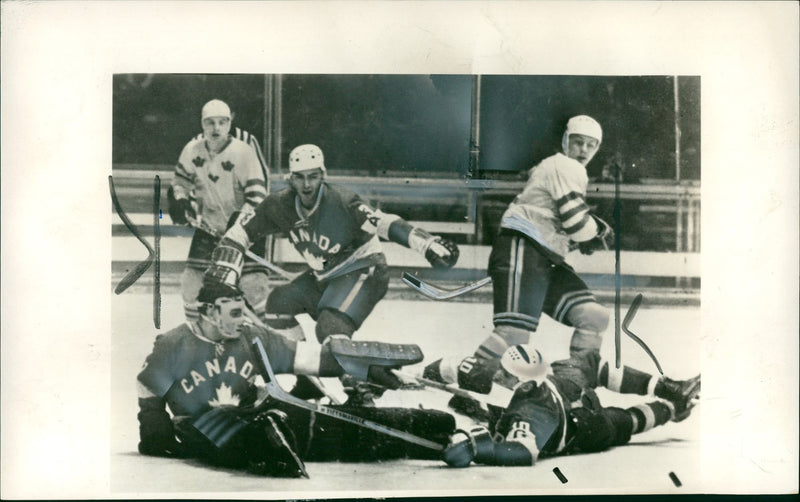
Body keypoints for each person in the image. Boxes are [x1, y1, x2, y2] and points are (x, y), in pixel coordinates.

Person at [136, 263, 455, 477]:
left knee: (360, 430)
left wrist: (366, 369)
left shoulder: (251, 336)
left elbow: (310, 358)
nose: (242, 319)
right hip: (205, 425)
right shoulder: (173, 343)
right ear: (208, 312)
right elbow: (147, 387)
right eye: (234, 313)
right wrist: (155, 433)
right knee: (222, 422)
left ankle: (435, 427)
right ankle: (267, 438)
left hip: (269, 414)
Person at [212, 143, 460, 403]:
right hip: (326, 277)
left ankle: (356, 384)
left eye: (313, 176)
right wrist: (224, 269)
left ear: (323, 175)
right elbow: (241, 232)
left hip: (364, 269)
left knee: (329, 327)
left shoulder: (342, 201)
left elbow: (383, 223)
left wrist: (426, 243)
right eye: (300, 177)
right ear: (291, 178)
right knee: (278, 304)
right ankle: (309, 380)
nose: (307, 185)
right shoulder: (279, 205)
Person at [445, 115, 614, 417]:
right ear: (566, 141)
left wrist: (584, 234)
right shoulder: (565, 165)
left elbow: (562, 223)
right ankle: (470, 388)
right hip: (523, 247)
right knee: (512, 334)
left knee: (594, 317)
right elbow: (576, 223)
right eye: (578, 141)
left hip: (544, 256)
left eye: (591, 145)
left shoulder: (557, 168)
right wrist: (597, 230)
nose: (584, 149)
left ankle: (573, 385)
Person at [439, 344, 701, 467]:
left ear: (516, 379)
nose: (497, 374)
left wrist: (477, 450)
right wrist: (424, 375)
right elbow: (451, 364)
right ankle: (672, 390)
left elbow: (522, 451)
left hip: (583, 426)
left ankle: (672, 407)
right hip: (564, 385)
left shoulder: (531, 410)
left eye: (503, 374)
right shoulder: (546, 375)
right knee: (589, 365)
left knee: (622, 421)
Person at [167, 99, 270, 323]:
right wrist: (181, 200)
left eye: (222, 122)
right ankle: (196, 336)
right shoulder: (192, 150)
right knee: (191, 285)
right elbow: (180, 182)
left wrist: (239, 227)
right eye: (210, 123)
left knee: (253, 286)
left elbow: (258, 196)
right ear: (202, 125)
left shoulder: (243, 153)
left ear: (229, 123)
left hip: (247, 230)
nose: (216, 128)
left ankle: (268, 337)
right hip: (210, 228)